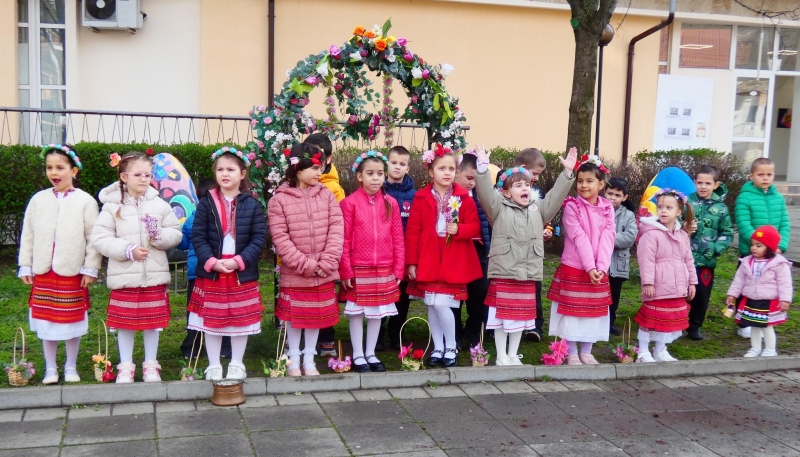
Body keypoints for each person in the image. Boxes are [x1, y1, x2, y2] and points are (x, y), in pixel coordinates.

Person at [475, 145, 576, 365]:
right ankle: (501, 355)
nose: (524, 189)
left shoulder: (538, 208)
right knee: (502, 317)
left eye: (527, 185)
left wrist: (567, 174)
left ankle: (513, 354)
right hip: (505, 270)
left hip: (527, 272)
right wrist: (482, 168)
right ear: (506, 191)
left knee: (520, 317)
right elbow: (483, 193)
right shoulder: (498, 207)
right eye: (518, 185)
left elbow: (555, 199)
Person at [91, 152, 182, 383]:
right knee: (125, 323)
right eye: (138, 174)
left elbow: (175, 232)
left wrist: (159, 236)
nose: (144, 179)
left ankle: (151, 364)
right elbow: (101, 238)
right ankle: (125, 365)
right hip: (125, 276)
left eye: (148, 175)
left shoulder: (159, 204)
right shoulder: (112, 207)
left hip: (153, 274)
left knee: (152, 323)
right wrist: (126, 250)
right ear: (123, 176)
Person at [18, 144, 102, 384]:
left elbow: (93, 239)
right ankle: (51, 368)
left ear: (74, 171)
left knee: (71, 321)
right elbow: (29, 234)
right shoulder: (38, 200)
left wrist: (90, 267)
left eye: (60, 167)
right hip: (44, 271)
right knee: (48, 323)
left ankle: (71, 366)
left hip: (71, 271)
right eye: (49, 168)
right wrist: (26, 264)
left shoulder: (86, 202)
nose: (54, 172)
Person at [187, 147, 267, 380]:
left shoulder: (252, 205)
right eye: (220, 169)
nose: (225, 174)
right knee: (213, 321)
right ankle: (213, 364)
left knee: (240, 321)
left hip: (240, 272)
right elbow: (198, 236)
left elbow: (258, 237)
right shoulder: (206, 203)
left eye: (231, 169)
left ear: (242, 174)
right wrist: (212, 262)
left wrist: (239, 261)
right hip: (213, 272)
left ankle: (236, 363)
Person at [269, 143, 344, 376]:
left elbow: (336, 228)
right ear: (297, 168)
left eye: (319, 167)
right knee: (295, 318)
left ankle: (309, 359)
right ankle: (293, 359)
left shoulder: (327, 196)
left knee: (314, 317)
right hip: (296, 272)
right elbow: (280, 238)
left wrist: (327, 262)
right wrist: (308, 265)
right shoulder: (279, 200)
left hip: (323, 270)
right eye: (313, 167)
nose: (318, 172)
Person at [405, 143, 482, 368]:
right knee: (432, 304)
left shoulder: (464, 197)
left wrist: (460, 230)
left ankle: (451, 346)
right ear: (431, 171)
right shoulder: (420, 198)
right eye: (442, 168)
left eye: (451, 169)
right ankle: (438, 347)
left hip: (453, 259)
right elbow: (413, 232)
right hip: (428, 258)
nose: (447, 173)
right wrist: (411, 262)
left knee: (442, 304)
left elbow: (475, 227)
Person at [339, 151, 404, 372]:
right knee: (357, 311)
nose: (376, 178)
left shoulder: (391, 203)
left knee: (377, 311)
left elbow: (398, 237)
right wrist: (346, 270)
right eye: (370, 173)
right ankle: (357, 354)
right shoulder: (349, 203)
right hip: (359, 267)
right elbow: (344, 239)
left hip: (385, 267)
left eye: (379, 174)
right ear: (359, 176)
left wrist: (398, 269)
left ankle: (370, 353)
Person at [547, 156, 615, 365]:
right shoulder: (572, 207)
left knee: (592, 312)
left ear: (601, 184)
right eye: (580, 180)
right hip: (575, 266)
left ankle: (587, 350)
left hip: (598, 270)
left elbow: (608, 237)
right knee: (572, 312)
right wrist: (590, 267)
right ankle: (572, 351)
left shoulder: (607, 207)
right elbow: (579, 237)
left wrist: (601, 267)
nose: (583, 185)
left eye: (589, 181)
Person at [635, 189, 697, 363]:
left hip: (677, 287)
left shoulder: (682, 235)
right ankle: (643, 351)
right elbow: (646, 261)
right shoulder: (651, 234)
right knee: (649, 320)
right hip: (657, 285)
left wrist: (692, 282)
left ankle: (661, 350)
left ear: (678, 212)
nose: (663, 210)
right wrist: (647, 282)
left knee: (668, 320)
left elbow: (688, 260)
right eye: (660, 206)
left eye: (668, 207)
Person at [734, 158, 790, 339]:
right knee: (746, 288)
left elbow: (784, 224)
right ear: (751, 176)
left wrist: (779, 246)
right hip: (751, 253)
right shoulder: (745, 197)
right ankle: (743, 323)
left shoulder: (778, 198)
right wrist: (757, 245)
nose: (765, 178)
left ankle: (765, 320)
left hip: (773, 255)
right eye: (761, 174)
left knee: (768, 289)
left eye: (769, 174)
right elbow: (743, 223)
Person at [178, 178, 232, 359]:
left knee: (195, 310)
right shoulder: (223, 215)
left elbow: (183, 243)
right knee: (221, 309)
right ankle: (225, 347)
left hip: (197, 272)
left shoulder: (192, 217)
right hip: (218, 270)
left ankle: (192, 347)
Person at [304, 133, 344, 357]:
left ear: (328, 159)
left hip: (325, 254)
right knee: (302, 298)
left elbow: (337, 225)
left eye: (319, 155)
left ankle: (326, 339)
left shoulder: (333, 189)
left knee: (325, 297)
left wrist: (329, 256)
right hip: (302, 255)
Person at [727, 225, 792, 357]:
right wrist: (732, 294)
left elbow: (785, 283)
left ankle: (770, 349)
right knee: (754, 325)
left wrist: (785, 299)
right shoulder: (747, 262)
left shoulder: (779, 263)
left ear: (769, 247)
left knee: (766, 326)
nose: (753, 248)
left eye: (758, 245)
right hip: (751, 298)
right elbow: (739, 280)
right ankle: (755, 348)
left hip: (767, 300)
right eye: (753, 245)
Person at [687, 165, 733, 340]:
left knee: (702, 295)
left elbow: (727, 233)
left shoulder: (721, 208)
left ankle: (694, 326)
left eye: (708, 183)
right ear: (694, 183)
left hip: (706, 261)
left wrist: (715, 248)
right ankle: (677, 323)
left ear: (716, 184)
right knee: (682, 293)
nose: (703, 187)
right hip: (686, 259)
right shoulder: (687, 203)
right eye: (700, 183)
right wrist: (685, 228)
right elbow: (675, 224)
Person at [513, 148, 549, 342]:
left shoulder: (537, 193)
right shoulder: (503, 188)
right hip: (511, 249)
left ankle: (535, 326)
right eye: (535, 174)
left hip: (532, 250)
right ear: (523, 168)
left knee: (534, 287)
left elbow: (542, 216)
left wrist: (545, 229)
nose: (536, 178)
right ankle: (506, 324)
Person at [454, 151, 490, 348]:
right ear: (456, 172)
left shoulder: (481, 195)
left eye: (475, 179)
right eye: (469, 178)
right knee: (455, 295)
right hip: (456, 250)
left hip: (478, 250)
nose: (472, 183)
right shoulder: (448, 194)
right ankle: (455, 334)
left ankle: (474, 331)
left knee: (482, 291)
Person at [384, 145, 416, 350]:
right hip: (381, 254)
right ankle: (377, 335)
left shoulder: (415, 196)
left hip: (403, 254)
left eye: (402, 164)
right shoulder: (377, 189)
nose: (397, 167)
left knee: (401, 298)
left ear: (408, 168)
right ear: (386, 164)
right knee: (379, 296)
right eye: (393, 163)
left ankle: (396, 334)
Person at [604, 177, 638, 336]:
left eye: (617, 195)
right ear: (604, 192)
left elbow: (630, 237)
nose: (612, 198)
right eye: (610, 193)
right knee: (599, 295)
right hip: (600, 264)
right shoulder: (599, 209)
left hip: (617, 265)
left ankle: (609, 322)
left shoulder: (629, 215)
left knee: (613, 296)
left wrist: (606, 238)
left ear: (624, 197)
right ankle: (597, 324)